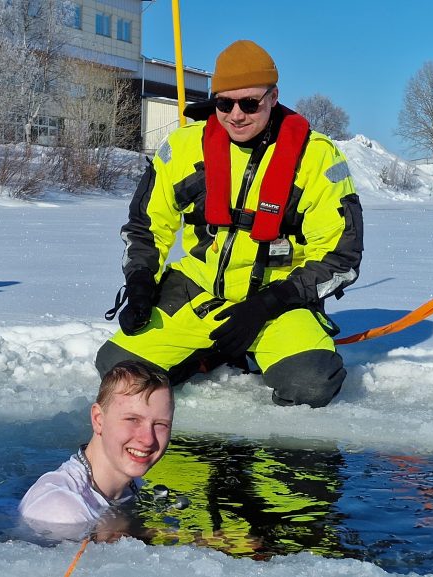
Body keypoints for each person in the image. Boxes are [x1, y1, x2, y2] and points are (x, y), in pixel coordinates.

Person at [95, 40, 364, 408]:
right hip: (198, 293)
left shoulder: (316, 157)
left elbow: (341, 256)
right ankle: (209, 353)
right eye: (225, 103)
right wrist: (141, 281)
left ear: (273, 97)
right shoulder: (185, 147)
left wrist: (268, 304)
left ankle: (255, 348)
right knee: (118, 371)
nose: (236, 115)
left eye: (249, 103)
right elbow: (146, 226)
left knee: (311, 385)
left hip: (278, 302)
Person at [19, 360, 174, 538]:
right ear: (98, 419)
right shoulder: (63, 511)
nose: (148, 439)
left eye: (161, 424)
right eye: (132, 420)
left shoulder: (131, 484)